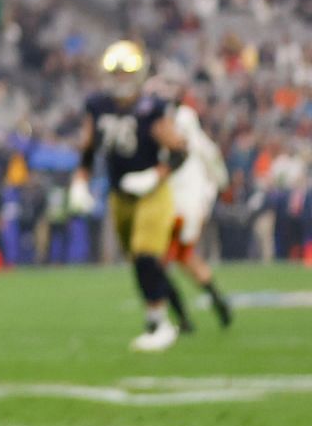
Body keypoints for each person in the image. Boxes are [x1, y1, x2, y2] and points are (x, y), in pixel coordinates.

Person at [70, 41, 190, 353]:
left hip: (152, 192)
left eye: (127, 72)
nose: (121, 79)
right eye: (116, 72)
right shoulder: (97, 105)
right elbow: (87, 147)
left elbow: (179, 149)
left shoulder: (152, 108)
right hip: (119, 195)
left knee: (146, 253)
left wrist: (155, 175)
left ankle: (160, 324)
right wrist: (80, 182)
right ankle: (171, 317)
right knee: (140, 261)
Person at [162, 90, 234, 333]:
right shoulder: (195, 134)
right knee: (184, 257)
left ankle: (182, 319)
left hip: (176, 206)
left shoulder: (171, 128)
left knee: (155, 262)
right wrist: (222, 185)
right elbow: (211, 156)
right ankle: (218, 301)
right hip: (191, 205)